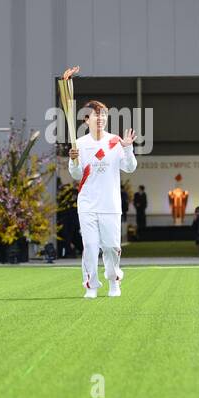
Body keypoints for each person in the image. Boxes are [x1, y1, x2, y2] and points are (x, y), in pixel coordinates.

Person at [67, 100, 138, 298]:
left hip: (110, 204)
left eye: (104, 115)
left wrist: (128, 148)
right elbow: (76, 174)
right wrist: (73, 161)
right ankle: (91, 286)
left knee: (111, 247)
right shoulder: (79, 144)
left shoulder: (115, 141)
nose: (101, 119)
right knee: (90, 246)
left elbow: (130, 167)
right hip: (88, 203)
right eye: (96, 115)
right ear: (86, 119)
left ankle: (114, 282)